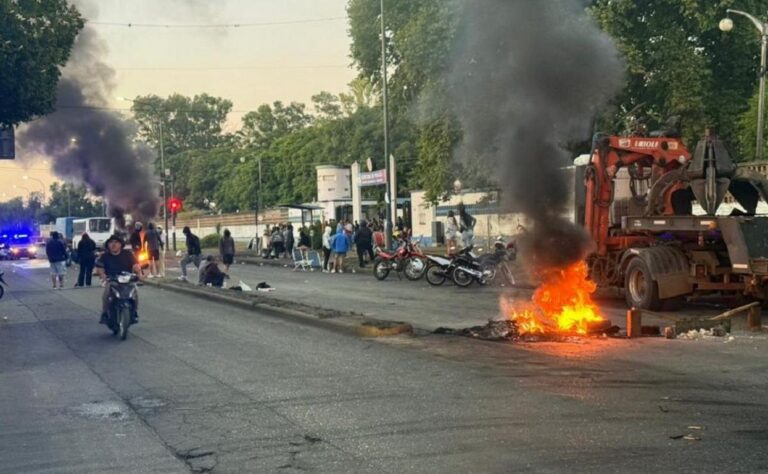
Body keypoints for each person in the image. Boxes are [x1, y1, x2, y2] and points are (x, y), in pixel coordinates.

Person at [95, 234, 142, 324]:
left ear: (121, 244)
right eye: (111, 242)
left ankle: (134, 312)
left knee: (135, 293)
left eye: (116, 242)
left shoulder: (128, 254)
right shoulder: (105, 256)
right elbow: (99, 268)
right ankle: (105, 313)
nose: (114, 244)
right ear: (108, 245)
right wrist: (103, 275)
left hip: (127, 280)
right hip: (112, 280)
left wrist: (138, 273)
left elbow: (136, 265)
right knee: (106, 294)